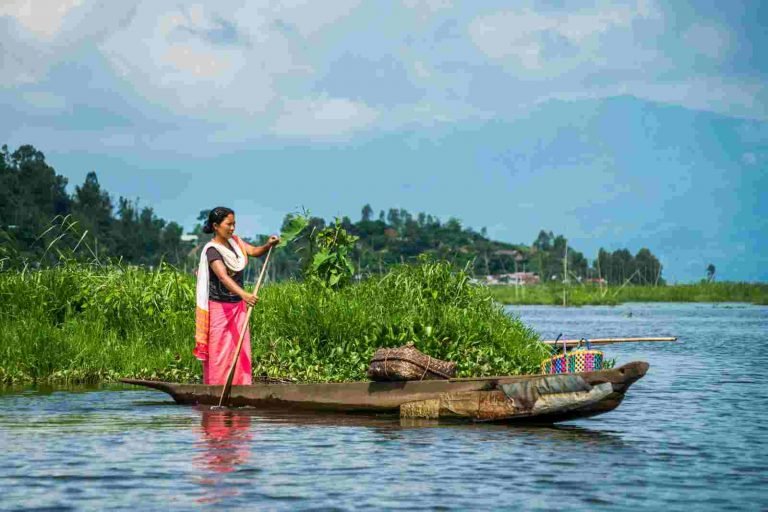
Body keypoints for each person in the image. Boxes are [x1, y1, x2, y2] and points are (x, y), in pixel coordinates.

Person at [193, 207, 280, 385]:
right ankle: (216, 386)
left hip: (237, 307)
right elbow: (223, 277)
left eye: (234, 224)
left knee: (240, 349)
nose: (232, 228)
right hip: (219, 308)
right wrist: (245, 295)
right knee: (219, 351)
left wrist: (268, 245)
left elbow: (255, 251)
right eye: (229, 224)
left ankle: (241, 385)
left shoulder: (235, 242)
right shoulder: (212, 250)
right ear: (216, 226)